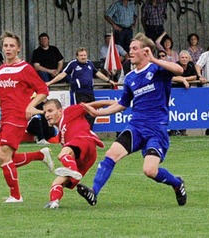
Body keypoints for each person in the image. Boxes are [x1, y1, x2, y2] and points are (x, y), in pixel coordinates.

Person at [76, 33, 186, 207]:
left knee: (149, 171)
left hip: (156, 129)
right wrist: (99, 113)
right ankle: (94, 192)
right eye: (130, 49)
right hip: (136, 127)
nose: (131, 52)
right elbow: (122, 104)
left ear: (146, 51)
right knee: (111, 153)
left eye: (134, 48)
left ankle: (177, 183)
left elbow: (180, 70)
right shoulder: (130, 78)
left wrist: (154, 59)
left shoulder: (157, 70)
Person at [0, 31, 55, 203]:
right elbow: (1, 95)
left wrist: (30, 106)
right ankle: (41, 155)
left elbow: (43, 90)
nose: (8, 48)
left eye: (12, 45)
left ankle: (16, 196)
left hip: (18, 117)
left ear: (18, 48)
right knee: (8, 158)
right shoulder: (3, 69)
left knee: (3, 156)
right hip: (5, 116)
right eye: (5, 45)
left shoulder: (25, 68)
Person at [42, 99, 111, 209]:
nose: (47, 115)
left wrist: (117, 104)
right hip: (87, 157)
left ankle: (72, 170)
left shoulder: (69, 112)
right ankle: (54, 202)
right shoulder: (61, 136)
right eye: (45, 112)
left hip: (85, 140)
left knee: (62, 154)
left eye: (50, 111)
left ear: (60, 111)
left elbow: (93, 105)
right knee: (57, 182)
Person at [47, 47, 116, 128]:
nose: (83, 57)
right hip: (79, 93)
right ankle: (81, 130)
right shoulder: (73, 64)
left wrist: (109, 81)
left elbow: (98, 73)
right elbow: (62, 75)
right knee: (81, 112)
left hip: (90, 92)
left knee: (92, 112)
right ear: (77, 56)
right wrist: (50, 82)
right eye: (81, 55)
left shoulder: (89, 63)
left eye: (85, 55)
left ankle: (89, 130)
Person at [169, 50, 197, 136]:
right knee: (174, 111)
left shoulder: (191, 65)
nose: (184, 59)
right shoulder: (176, 65)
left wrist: (185, 79)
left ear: (189, 58)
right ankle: (173, 130)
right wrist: (182, 80)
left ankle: (183, 130)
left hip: (186, 92)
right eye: (182, 57)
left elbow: (195, 76)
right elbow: (172, 77)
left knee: (185, 110)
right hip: (174, 91)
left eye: (186, 58)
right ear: (179, 58)